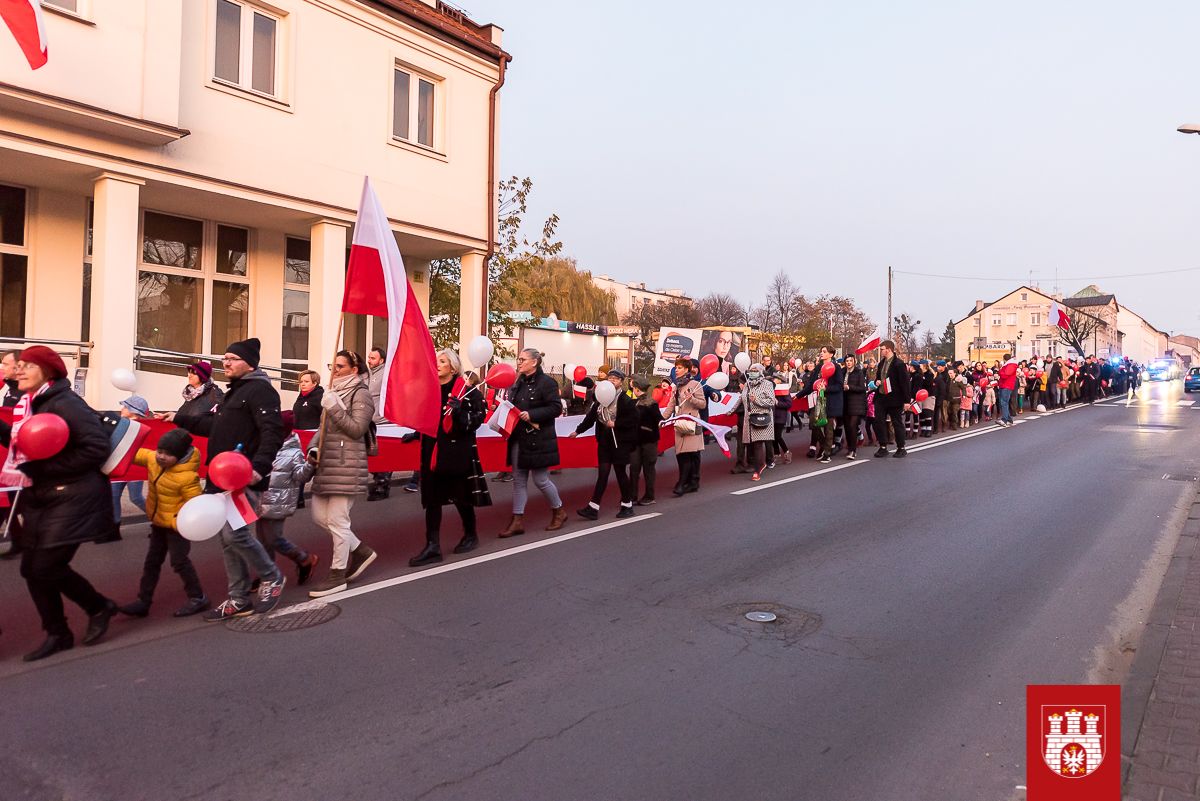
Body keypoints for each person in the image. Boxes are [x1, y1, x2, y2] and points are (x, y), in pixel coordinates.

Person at [0, 346, 117, 661]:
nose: (19, 370)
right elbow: (28, 443)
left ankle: (98, 607)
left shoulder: (66, 403)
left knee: (45, 566)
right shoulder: (30, 403)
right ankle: (58, 633)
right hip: (41, 496)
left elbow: (96, 448)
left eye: (27, 366)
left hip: (74, 496)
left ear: (48, 371)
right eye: (19, 365)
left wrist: (41, 470)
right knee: (31, 569)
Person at [167, 337, 288, 620]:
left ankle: (272, 577)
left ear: (250, 364)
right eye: (224, 358)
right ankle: (239, 598)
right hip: (220, 477)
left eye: (232, 358)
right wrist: (179, 418)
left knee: (235, 534)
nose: (226, 363)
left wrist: (259, 467)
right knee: (226, 538)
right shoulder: (235, 392)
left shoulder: (261, 391)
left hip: (242, 477)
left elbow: (272, 432)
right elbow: (216, 426)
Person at [305, 350, 377, 597]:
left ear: (354, 370)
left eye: (340, 366)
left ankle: (337, 575)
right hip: (327, 464)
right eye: (332, 366)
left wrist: (334, 407)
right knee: (319, 517)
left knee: (338, 521)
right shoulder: (332, 391)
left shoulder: (361, 393)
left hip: (347, 465)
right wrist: (313, 446)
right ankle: (361, 551)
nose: (334, 371)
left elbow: (357, 429)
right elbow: (322, 428)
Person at [116, 428, 209, 619]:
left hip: (177, 527)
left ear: (180, 456)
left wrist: (177, 522)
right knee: (152, 562)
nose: (161, 456)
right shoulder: (153, 459)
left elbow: (196, 507)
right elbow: (132, 453)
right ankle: (143, 601)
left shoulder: (187, 478)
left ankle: (198, 597)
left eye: (168, 454)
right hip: (158, 523)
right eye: (160, 451)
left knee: (179, 562)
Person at [409, 349, 490, 567]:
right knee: (432, 498)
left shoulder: (466, 392)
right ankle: (432, 546)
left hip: (456, 451)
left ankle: (471, 534)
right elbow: (429, 418)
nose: (437, 364)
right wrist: (416, 433)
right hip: (432, 449)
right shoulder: (430, 390)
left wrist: (459, 413)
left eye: (442, 361)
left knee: (460, 496)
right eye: (436, 360)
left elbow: (478, 419)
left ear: (453, 368)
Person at [499, 348, 567, 537]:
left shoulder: (547, 383)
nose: (518, 362)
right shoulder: (517, 383)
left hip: (538, 439)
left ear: (534, 362)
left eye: (522, 359)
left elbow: (556, 408)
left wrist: (532, 414)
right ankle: (517, 521)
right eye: (518, 359)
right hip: (518, 437)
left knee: (540, 480)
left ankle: (559, 511)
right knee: (518, 480)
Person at [256, 421, 319, 584]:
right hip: (261, 499)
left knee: (273, 539)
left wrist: (310, 465)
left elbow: (301, 476)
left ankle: (304, 558)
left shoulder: (293, 452)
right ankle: (267, 574)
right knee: (263, 541)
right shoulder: (266, 445)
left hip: (279, 502)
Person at [572, 368, 638, 520]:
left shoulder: (625, 400)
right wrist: (577, 431)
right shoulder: (601, 397)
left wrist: (616, 423)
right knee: (602, 474)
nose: (612, 381)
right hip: (604, 442)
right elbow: (591, 418)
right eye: (610, 378)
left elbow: (633, 419)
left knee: (620, 473)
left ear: (621, 382)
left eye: (616, 379)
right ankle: (593, 507)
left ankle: (627, 505)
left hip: (620, 443)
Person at [365, 347, 397, 501]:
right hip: (369, 421)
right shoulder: (368, 374)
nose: (369, 361)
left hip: (383, 422)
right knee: (370, 454)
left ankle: (382, 485)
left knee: (383, 455)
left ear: (381, 360)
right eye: (369, 357)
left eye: (373, 358)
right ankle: (379, 481)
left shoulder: (386, 374)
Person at [803, 346, 844, 463]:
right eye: (821, 351)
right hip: (819, 400)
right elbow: (811, 385)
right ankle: (824, 446)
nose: (821, 353)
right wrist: (799, 395)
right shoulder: (818, 367)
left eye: (824, 352)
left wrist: (826, 388)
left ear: (831, 354)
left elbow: (839, 385)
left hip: (831, 401)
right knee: (814, 423)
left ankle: (827, 453)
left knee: (828, 427)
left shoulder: (836, 367)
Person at [671, 367, 706, 494]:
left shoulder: (695, 384)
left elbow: (702, 404)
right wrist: (662, 419)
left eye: (679, 368)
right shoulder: (677, 386)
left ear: (686, 369)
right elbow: (672, 404)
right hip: (680, 423)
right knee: (681, 454)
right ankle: (687, 481)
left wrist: (692, 398)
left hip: (692, 423)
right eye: (676, 367)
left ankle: (688, 482)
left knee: (691, 453)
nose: (676, 370)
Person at [873, 340, 910, 458]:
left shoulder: (899, 364)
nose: (880, 351)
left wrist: (906, 401)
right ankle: (883, 446)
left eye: (882, 349)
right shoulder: (881, 363)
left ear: (888, 349)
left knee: (896, 422)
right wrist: (877, 381)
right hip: (881, 397)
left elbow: (905, 383)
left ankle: (901, 447)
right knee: (879, 422)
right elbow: (878, 377)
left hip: (895, 398)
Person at [629, 376, 662, 505]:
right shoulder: (634, 402)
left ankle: (649, 496)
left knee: (648, 469)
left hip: (649, 441)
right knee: (634, 468)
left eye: (633, 387)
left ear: (637, 389)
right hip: (636, 441)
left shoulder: (651, 404)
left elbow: (659, 420)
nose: (633, 390)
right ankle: (632, 496)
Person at [741, 362, 775, 480]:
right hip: (749, 418)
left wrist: (756, 400)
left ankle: (758, 469)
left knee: (758, 443)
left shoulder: (767, 384)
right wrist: (730, 411)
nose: (752, 373)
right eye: (751, 370)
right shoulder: (747, 384)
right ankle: (759, 463)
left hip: (761, 417)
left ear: (760, 371)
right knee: (751, 444)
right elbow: (742, 398)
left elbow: (771, 401)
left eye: (755, 370)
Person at [842, 354, 867, 459]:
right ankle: (850, 448)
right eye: (847, 361)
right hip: (845, 403)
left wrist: (849, 387)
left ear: (854, 362)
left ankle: (853, 450)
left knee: (853, 426)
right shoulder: (843, 372)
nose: (848, 363)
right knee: (847, 427)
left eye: (850, 361)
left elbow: (862, 388)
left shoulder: (858, 372)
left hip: (856, 403)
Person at [996, 353, 1018, 427]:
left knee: (1004, 402)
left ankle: (1004, 420)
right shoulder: (1009, 364)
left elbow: (1005, 375)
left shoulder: (1011, 365)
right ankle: (1008, 419)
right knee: (1004, 402)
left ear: (1004, 359)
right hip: (1005, 385)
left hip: (1007, 385)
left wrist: (1000, 371)